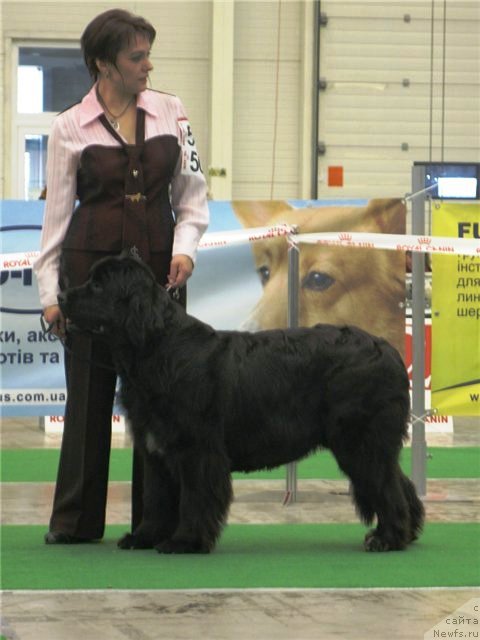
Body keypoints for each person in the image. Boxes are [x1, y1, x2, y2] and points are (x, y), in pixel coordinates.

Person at [33, 8, 209, 544]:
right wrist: (51, 297)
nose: (148, 66)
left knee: (162, 405)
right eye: (137, 57)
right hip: (89, 285)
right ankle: (76, 523)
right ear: (103, 64)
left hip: (160, 283)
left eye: (148, 54)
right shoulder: (68, 127)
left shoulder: (173, 113)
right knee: (86, 403)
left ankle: (157, 522)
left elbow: (194, 198)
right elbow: (56, 219)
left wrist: (186, 250)